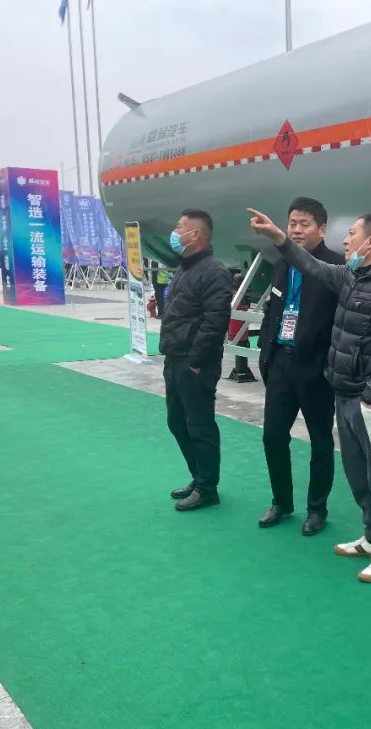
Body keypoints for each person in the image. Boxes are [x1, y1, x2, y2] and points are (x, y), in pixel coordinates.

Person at [248, 207, 371, 583]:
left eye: (352, 233)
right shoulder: (351, 276)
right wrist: (277, 236)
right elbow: (310, 264)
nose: (345, 240)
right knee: (357, 472)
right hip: (345, 392)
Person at [256, 197, 343, 537]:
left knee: (320, 441)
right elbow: (272, 312)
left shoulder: (334, 267)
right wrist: (266, 353)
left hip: (316, 369)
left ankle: (317, 509)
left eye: (304, 224)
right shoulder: (281, 264)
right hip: (281, 362)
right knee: (272, 437)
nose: (295, 230)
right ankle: (281, 502)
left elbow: (341, 323)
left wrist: (329, 365)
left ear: (322, 229)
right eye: (292, 223)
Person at [161, 209, 233, 512]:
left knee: (200, 425)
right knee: (177, 421)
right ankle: (199, 475)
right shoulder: (185, 268)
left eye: (180, 228)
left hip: (195, 363)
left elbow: (215, 322)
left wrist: (195, 360)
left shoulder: (215, 272)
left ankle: (207, 488)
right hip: (175, 357)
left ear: (196, 235)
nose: (175, 233)